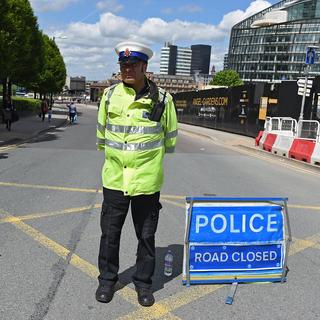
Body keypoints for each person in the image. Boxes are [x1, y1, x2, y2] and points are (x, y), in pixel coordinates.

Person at [96, 41, 178, 307]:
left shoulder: (164, 99)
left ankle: (144, 285)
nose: (127, 69)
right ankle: (107, 281)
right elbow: (101, 137)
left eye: (132, 65)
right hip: (115, 179)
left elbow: (170, 140)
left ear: (145, 66)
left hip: (146, 181)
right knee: (110, 235)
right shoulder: (108, 96)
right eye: (123, 65)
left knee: (146, 237)